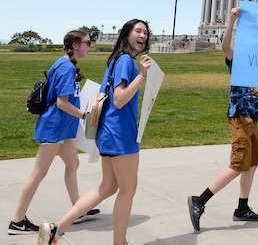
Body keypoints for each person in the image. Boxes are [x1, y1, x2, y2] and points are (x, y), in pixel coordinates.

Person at [38, 19, 152, 245]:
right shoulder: (127, 62)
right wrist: (142, 75)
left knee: (108, 187)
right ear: (126, 34)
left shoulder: (115, 60)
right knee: (127, 190)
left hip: (108, 132)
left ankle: (56, 229)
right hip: (121, 135)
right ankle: (119, 243)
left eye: (146, 33)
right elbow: (119, 100)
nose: (143, 36)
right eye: (138, 31)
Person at [188, 7, 258, 232]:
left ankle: (242, 209)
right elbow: (225, 46)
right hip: (240, 116)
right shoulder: (238, 60)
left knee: (252, 163)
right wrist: (231, 21)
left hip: (252, 119)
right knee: (239, 164)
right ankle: (200, 200)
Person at [9, 30, 99, 235]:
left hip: (62, 129)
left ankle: (78, 209)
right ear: (75, 45)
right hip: (54, 128)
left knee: (73, 164)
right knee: (39, 173)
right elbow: (62, 103)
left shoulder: (63, 63)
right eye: (87, 42)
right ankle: (18, 220)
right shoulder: (66, 68)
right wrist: (84, 115)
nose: (89, 46)